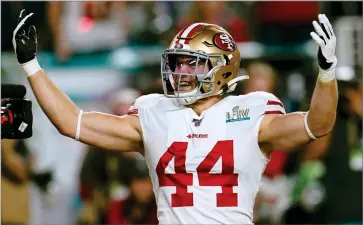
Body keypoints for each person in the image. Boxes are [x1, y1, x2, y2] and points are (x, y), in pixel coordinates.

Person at [12, 9, 338, 224]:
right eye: (177, 63)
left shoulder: (251, 112)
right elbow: (73, 122)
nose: (179, 72)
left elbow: (318, 124)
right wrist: (31, 66)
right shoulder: (155, 112)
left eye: (190, 64)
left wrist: (326, 73)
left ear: (220, 68)